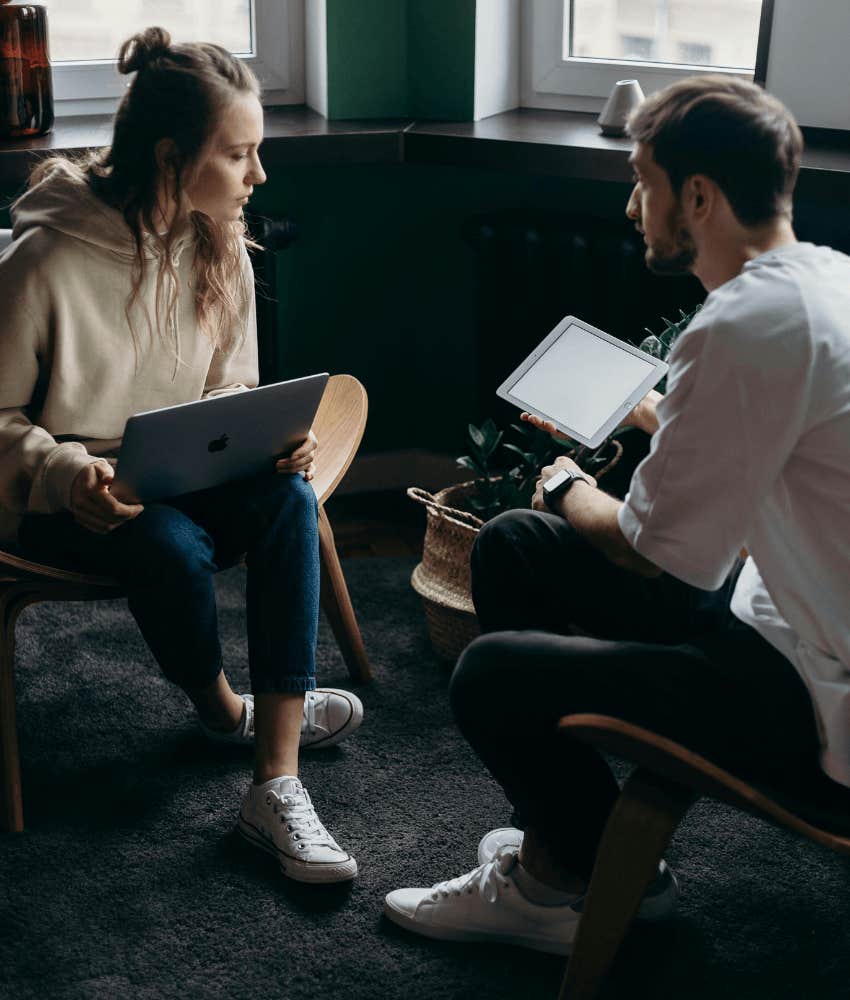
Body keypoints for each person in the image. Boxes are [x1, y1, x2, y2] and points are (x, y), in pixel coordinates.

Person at [385, 75, 850, 951]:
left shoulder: (741, 326)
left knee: (490, 671)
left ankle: (556, 887)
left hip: (812, 695)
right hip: (780, 614)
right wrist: (651, 415)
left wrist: (566, 482)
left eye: (643, 180)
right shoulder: (823, 283)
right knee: (518, 547)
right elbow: (762, 439)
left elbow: (648, 556)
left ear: (699, 196)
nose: (635, 205)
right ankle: (583, 853)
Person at [0, 27, 362, 885]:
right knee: (165, 541)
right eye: (239, 155)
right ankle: (223, 709)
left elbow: (226, 393)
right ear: (171, 157)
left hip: (182, 476)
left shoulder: (220, 239)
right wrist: (64, 474)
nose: (258, 175)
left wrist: (270, 440)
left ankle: (274, 782)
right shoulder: (44, 257)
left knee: (288, 502)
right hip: (66, 504)